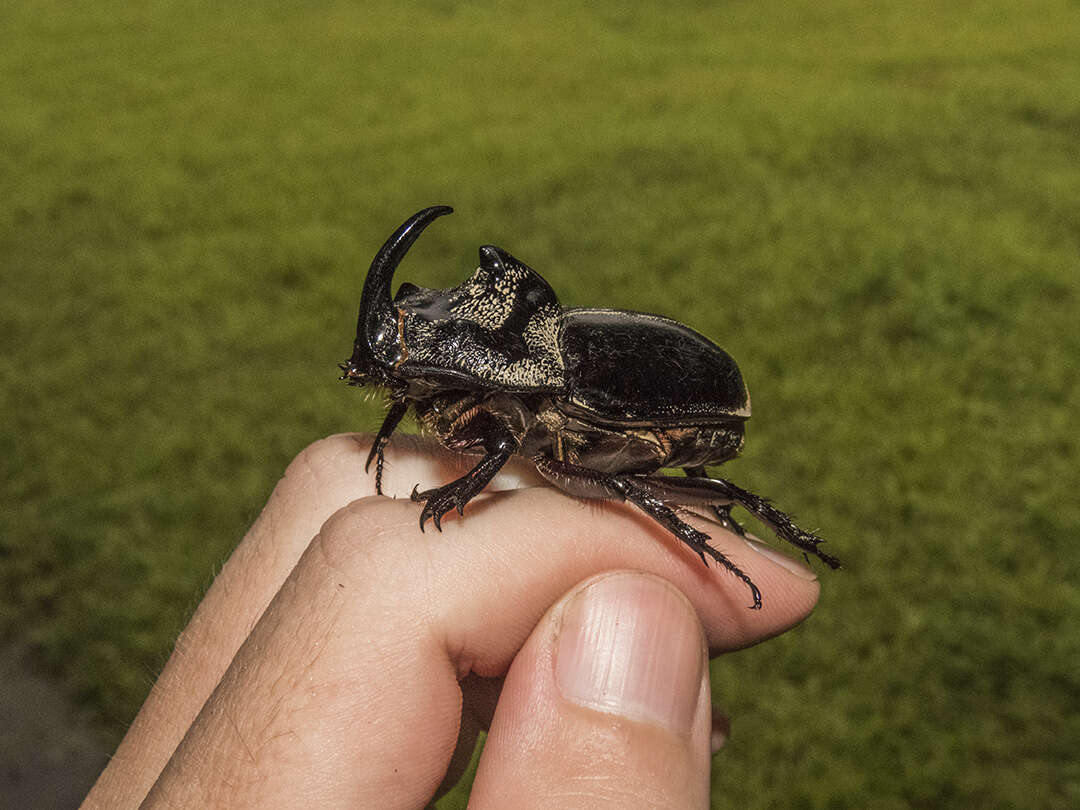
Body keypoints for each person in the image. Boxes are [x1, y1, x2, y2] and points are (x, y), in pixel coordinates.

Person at [83, 434, 821, 808]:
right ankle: (729, 544)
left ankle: (717, 546)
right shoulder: (499, 407)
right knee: (615, 491)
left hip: (660, 420)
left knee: (623, 485)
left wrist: (458, 491)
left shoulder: (537, 402)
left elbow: (503, 444)